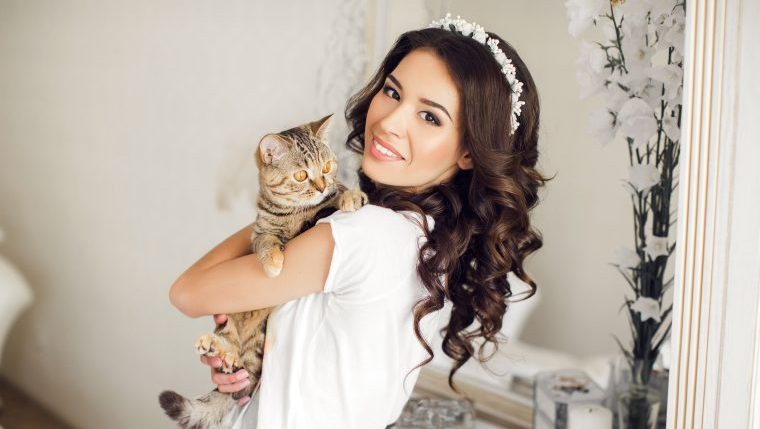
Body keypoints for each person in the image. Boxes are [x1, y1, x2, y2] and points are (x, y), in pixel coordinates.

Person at [169, 13, 551, 429]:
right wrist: (248, 362)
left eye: (430, 117)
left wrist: (287, 209)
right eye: (392, 91)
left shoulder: (366, 233)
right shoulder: (425, 242)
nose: (388, 121)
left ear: (469, 153)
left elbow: (187, 292)